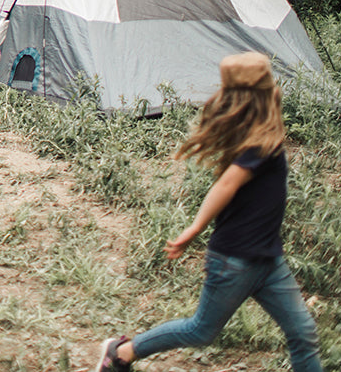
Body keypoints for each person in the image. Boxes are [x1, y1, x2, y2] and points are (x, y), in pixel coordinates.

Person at [96, 51, 322, 372]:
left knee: (303, 332)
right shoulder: (259, 144)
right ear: (262, 95)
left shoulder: (262, 134)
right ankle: (121, 353)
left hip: (268, 259)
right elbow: (225, 186)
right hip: (235, 261)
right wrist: (195, 228)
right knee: (201, 330)